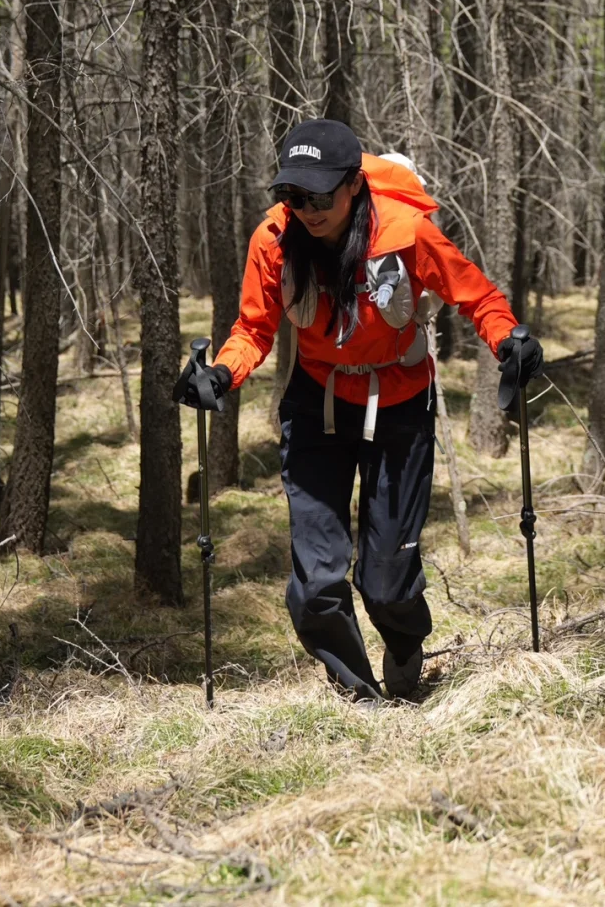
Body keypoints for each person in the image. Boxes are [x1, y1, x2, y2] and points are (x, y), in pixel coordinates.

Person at [177, 117, 544, 704]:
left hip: (399, 405)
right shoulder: (273, 239)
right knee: (317, 581)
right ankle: (360, 698)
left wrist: (508, 339)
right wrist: (221, 374)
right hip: (316, 404)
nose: (306, 208)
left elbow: (476, 294)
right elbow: (252, 327)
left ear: (353, 186)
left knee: (388, 581)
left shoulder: (404, 234)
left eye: (319, 195)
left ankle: (403, 646)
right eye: (291, 195)